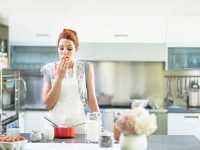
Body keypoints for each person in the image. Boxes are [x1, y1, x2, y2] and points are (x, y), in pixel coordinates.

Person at [40, 29, 99, 134]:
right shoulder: (49, 69)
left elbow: (92, 100)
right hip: (53, 129)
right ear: (57, 49)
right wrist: (59, 77)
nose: (65, 52)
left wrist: (99, 124)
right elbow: (48, 105)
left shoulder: (86, 68)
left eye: (69, 48)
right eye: (61, 48)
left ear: (76, 49)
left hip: (78, 128)